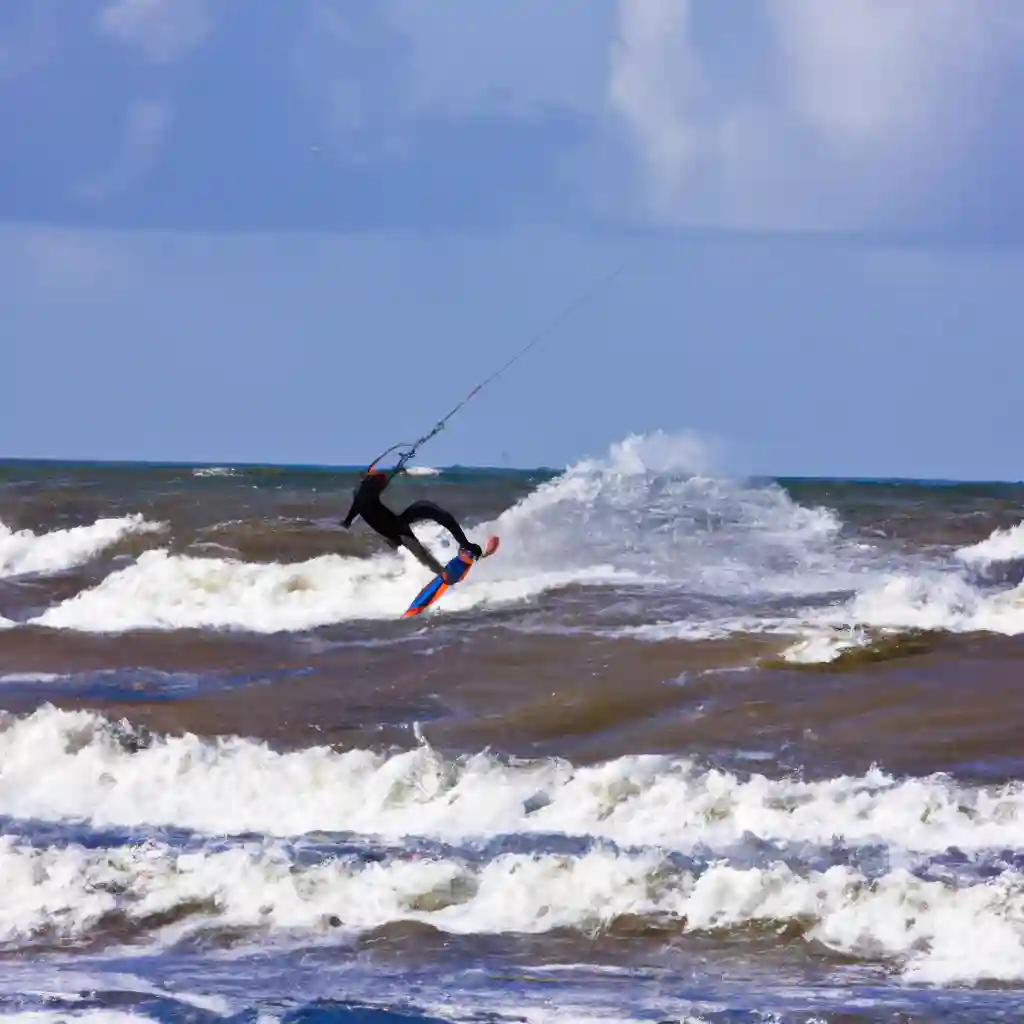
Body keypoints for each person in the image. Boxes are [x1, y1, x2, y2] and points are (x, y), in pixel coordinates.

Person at [341, 468, 482, 576]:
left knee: (428, 507)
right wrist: (347, 520)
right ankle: (442, 574)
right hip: (394, 531)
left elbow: (383, 479)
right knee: (420, 552)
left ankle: (465, 544)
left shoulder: (369, 488)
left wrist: (397, 469)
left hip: (396, 522)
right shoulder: (363, 494)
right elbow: (358, 504)